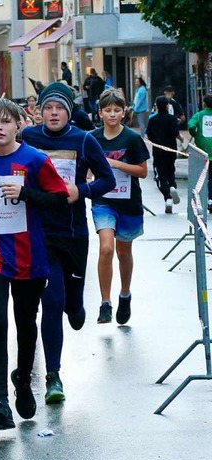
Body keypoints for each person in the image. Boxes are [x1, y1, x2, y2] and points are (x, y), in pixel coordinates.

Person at [0, 99, 69, 430]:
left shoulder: (35, 161)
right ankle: (0, 401)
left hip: (29, 256)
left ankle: (22, 379)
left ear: (18, 125)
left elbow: (60, 200)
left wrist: (25, 193)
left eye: (5, 122)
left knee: (25, 324)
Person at [20, 82, 115, 404]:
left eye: (59, 108)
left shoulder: (83, 139)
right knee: (52, 302)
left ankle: (78, 304)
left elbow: (108, 180)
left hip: (73, 233)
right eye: (48, 108)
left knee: (71, 305)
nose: (54, 113)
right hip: (40, 233)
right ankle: (53, 376)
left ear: (69, 111)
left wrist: (81, 191)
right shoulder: (29, 138)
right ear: (40, 111)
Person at [91, 89, 149, 324]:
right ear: (100, 113)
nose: (112, 114)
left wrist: (116, 164)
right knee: (106, 248)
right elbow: (86, 165)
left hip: (129, 203)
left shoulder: (132, 139)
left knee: (123, 252)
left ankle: (125, 294)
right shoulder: (92, 138)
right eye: (108, 110)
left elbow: (143, 172)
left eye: (117, 110)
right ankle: (105, 303)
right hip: (104, 201)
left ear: (124, 112)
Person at [146, 95, 183, 214]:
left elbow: (149, 136)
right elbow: (176, 133)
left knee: (160, 175)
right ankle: (172, 186)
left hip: (158, 151)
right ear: (168, 106)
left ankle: (167, 197)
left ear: (156, 106)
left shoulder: (152, 120)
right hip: (171, 150)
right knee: (171, 170)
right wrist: (182, 140)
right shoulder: (172, 119)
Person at [187, 94, 212, 212]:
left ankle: (206, 200)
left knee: (203, 177)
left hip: (204, 151)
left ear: (204, 104)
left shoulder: (199, 115)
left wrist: (195, 134)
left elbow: (191, 125)